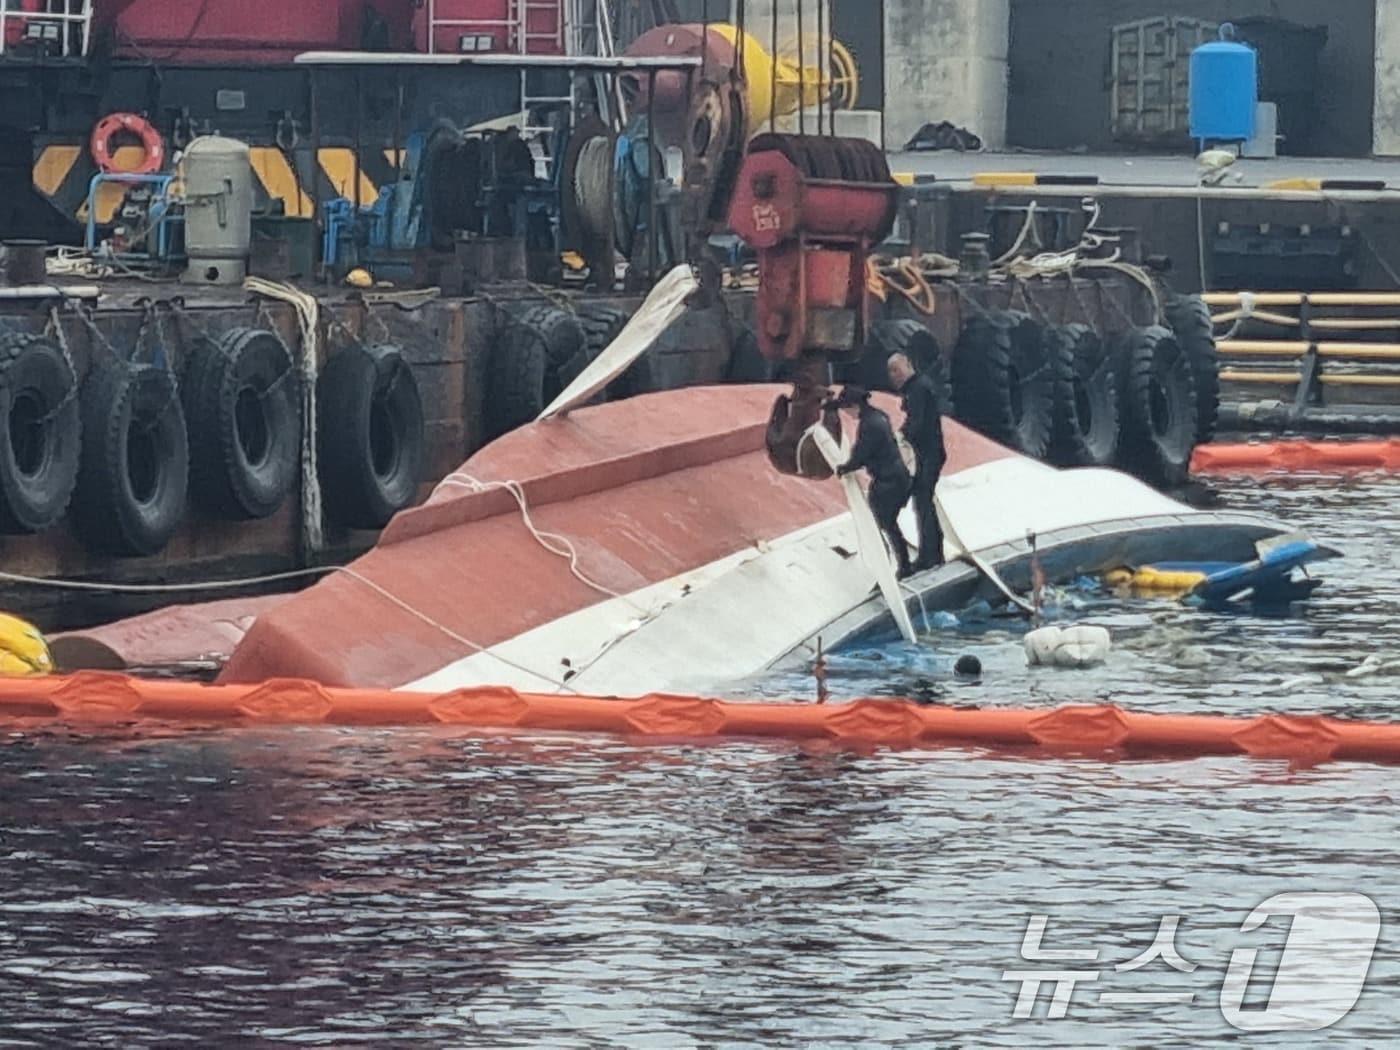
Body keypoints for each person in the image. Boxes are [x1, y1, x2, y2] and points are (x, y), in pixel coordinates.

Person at [831, 385, 914, 578]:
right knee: (888, 524)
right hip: (897, 477)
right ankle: (901, 564)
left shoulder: (870, 424)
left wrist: (845, 467)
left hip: (888, 481)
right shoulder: (878, 416)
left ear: (854, 406)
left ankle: (895, 566)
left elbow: (862, 452)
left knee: (881, 525)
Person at [887, 351, 946, 571]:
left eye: (896, 369)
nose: (893, 376)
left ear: (908, 365)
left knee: (923, 503)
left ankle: (930, 555)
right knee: (923, 502)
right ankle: (933, 552)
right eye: (890, 372)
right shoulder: (918, 387)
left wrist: (900, 437)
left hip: (928, 453)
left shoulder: (918, 389)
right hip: (929, 452)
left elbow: (918, 423)